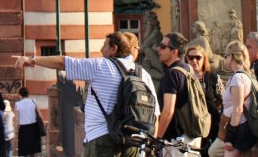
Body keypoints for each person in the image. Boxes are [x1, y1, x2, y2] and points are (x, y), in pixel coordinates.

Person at [15, 31, 158, 156]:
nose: (101, 49)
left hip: (102, 139)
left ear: (114, 49)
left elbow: (63, 62)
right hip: (132, 143)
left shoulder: (101, 65)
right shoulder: (143, 74)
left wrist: (32, 60)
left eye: (105, 45)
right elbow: (155, 113)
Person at [155, 32, 201, 155]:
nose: (158, 49)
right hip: (191, 135)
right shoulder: (187, 69)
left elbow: (168, 111)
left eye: (163, 46)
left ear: (174, 52)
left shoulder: (172, 74)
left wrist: (157, 137)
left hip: (175, 140)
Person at [207, 41, 255, 157]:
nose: (225, 58)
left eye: (226, 55)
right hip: (237, 126)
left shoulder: (238, 78)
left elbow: (238, 109)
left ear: (231, 56)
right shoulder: (244, 76)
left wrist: (230, 137)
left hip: (238, 128)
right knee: (212, 152)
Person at [184, 44, 222, 157]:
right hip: (190, 126)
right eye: (190, 58)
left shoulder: (213, 77)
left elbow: (223, 99)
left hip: (211, 125)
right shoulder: (182, 77)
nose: (194, 60)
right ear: (186, 59)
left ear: (204, 59)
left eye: (198, 57)